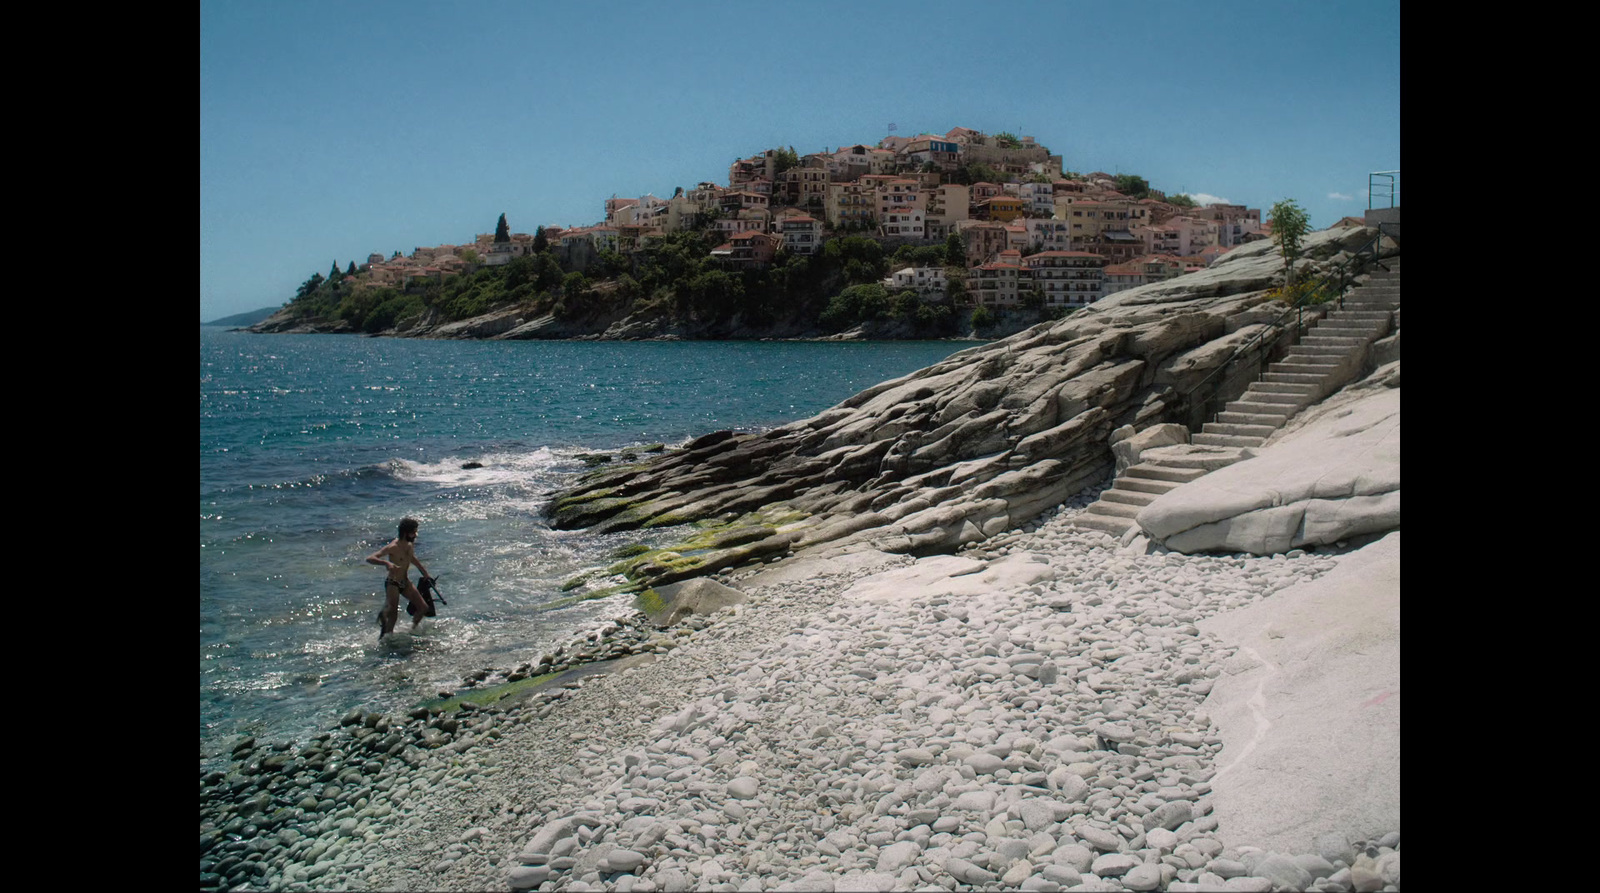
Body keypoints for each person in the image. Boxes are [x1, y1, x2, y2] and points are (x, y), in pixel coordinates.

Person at [367, 517, 433, 639]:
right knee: (393, 615)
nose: (416, 535)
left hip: (405, 582)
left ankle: (412, 630)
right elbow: (370, 558)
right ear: (406, 533)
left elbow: (412, 559)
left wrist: (425, 573)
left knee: (423, 607)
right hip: (393, 584)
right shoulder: (392, 547)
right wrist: (387, 564)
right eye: (414, 532)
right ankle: (386, 639)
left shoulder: (409, 545)